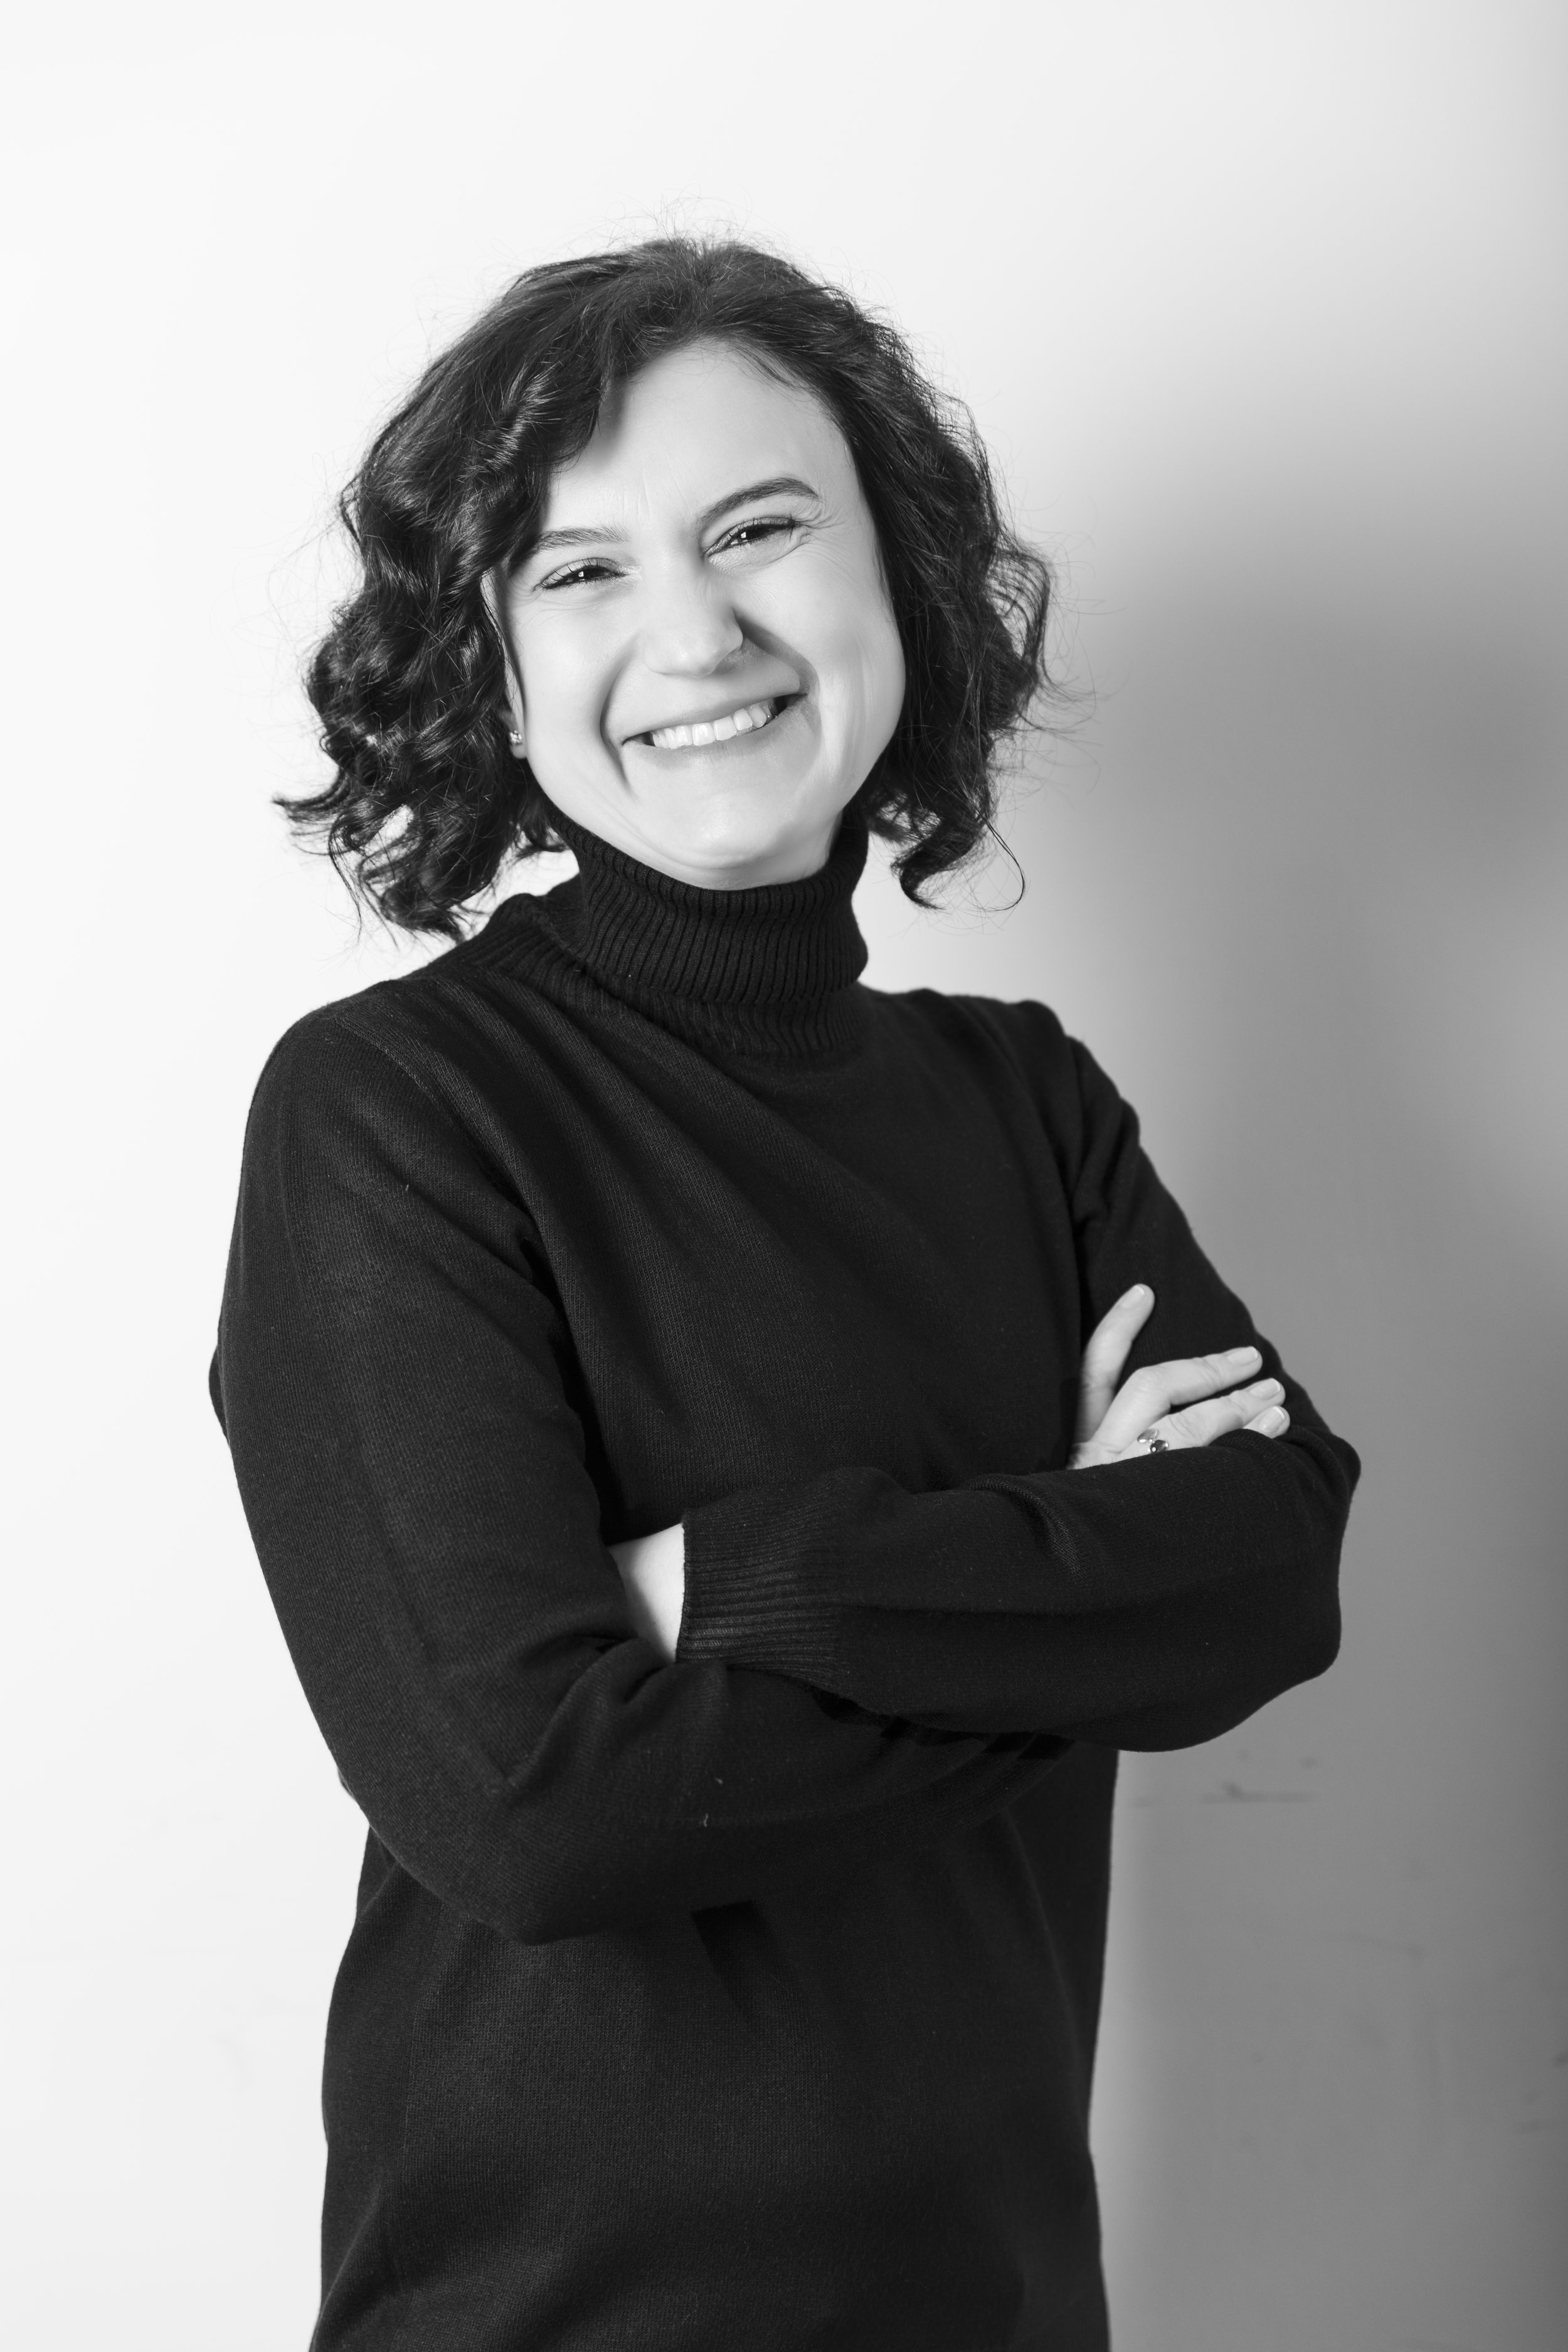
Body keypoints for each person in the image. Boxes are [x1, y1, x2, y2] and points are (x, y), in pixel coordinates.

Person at [211, 236, 1359, 2351]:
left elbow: (1266, 1581)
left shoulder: (1020, 1100)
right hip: (554, 2314)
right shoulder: (394, 1114)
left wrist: (722, 1581)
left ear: (893, 577)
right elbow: (536, 1807)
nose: (696, 631)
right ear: (487, 664)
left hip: (1004, 2294)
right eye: (579, 573)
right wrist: (1060, 1590)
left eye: (757, 525)